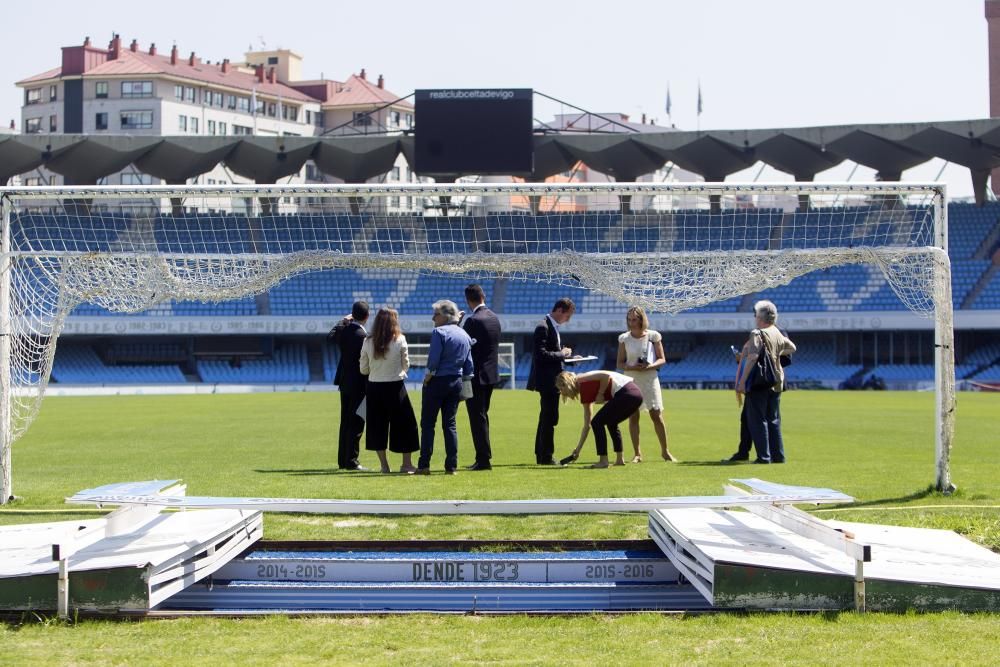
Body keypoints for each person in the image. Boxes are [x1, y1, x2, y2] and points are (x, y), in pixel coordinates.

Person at [416, 299, 474, 475]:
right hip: (456, 381)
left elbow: (433, 361)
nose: (433, 318)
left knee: (427, 424)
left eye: (436, 314)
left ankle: (424, 465)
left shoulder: (439, 332)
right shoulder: (464, 335)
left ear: (445, 315)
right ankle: (451, 466)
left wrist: (427, 378)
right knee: (450, 425)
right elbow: (469, 365)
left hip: (437, 381)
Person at [735, 300, 797, 464]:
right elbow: (792, 348)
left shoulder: (757, 333)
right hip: (777, 380)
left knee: (757, 419)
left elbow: (753, 357)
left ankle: (763, 456)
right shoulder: (777, 332)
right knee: (773, 419)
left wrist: (742, 381)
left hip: (761, 380)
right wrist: (774, 353)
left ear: (760, 318)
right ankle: (778, 456)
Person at [359, 308, 419, 474]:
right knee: (406, 425)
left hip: (374, 387)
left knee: (377, 426)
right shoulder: (400, 339)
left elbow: (363, 369)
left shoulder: (368, 341)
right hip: (395, 386)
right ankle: (406, 464)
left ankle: (384, 466)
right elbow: (406, 364)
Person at [616, 306, 675, 463]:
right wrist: (632, 367)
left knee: (656, 415)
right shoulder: (623, 338)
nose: (631, 322)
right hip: (630, 380)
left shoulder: (653, 336)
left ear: (642, 319)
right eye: (629, 319)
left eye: (634, 319)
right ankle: (637, 454)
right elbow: (620, 363)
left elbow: (662, 359)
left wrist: (648, 366)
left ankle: (665, 451)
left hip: (650, 379)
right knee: (633, 416)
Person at [555, 370, 644, 468]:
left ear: (565, 384)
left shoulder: (580, 378)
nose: (561, 393)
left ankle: (603, 461)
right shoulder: (584, 393)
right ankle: (619, 459)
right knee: (611, 423)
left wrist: (600, 393)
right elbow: (587, 425)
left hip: (627, 392)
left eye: (561, 389)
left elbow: (605, 376)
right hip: (636, 395)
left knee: (597, 422)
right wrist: (578, 449)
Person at [526, 298, 575, 465]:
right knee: (550, 418)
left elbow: (550, 355)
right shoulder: (543, 326)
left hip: (550, 379)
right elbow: (540, 355)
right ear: (560, 310)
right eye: (567, 316)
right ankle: (546, 456)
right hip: (547, 381)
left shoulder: (550, 326)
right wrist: (563, 354)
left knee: (546, 418)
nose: (568, 320)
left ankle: (541, 454)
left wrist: (571, 358)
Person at [461, 284, 502, 471]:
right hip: (491, 375)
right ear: (483, 295)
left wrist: (457, 325)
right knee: (483, 417)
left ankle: (483, 459)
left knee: (477, 419)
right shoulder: (494, 318)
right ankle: (485, 455)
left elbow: (464, 348)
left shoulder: (473, 321)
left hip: (476, 377)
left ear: (468, 300)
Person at [330, 300, 369, 471]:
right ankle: (352, 460)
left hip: (345, 382)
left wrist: (342, 322)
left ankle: (343, 460)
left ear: (352, 315)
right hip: (360, 383)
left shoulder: (345, 331)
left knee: (345, 421)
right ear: (367, 316)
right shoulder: (363, 336)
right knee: (357, 422)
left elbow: (329, 337)